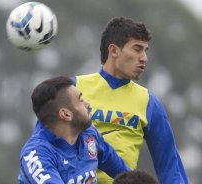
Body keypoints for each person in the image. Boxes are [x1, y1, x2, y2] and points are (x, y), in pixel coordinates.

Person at [71, 17, 189, 184]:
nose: (144, 58)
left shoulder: (149, 102)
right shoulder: (73, 89)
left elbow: (169, 166)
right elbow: (45, 142)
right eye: (137, 49)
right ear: (113, 50)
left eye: (145, 50)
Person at [18, 76, 131, 184]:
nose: (87, 104)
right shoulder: (36, 155)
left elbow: (127, 176)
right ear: (66, 114)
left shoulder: (89, 134)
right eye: (81, 100)